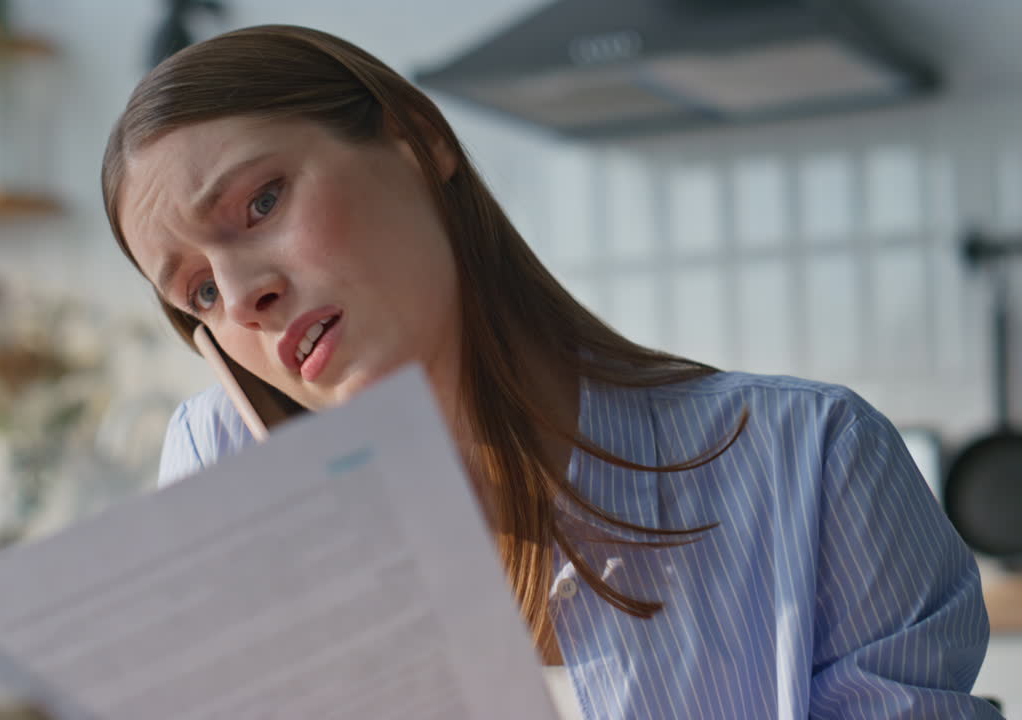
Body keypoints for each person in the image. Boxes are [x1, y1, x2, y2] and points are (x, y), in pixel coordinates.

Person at [100, 24, 1000, 719]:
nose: (242, 295)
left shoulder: (813, 462)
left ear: (417, 139)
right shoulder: (229, 466)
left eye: (260, 201)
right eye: (197, 295)